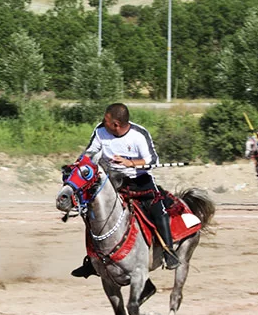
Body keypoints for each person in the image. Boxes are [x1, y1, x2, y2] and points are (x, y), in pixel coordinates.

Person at [71, 103, 180, 280]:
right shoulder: (100, 131)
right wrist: (81, 163)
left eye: (106, 120)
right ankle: (92, 260)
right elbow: (90, 152)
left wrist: (131, 163)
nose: (102, 123)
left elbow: (152, 159)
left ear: (116, 124)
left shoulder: (139, 135)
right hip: (112, 182)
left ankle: (169, 252)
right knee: (92, 214)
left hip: (140, 182)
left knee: (159, 211)